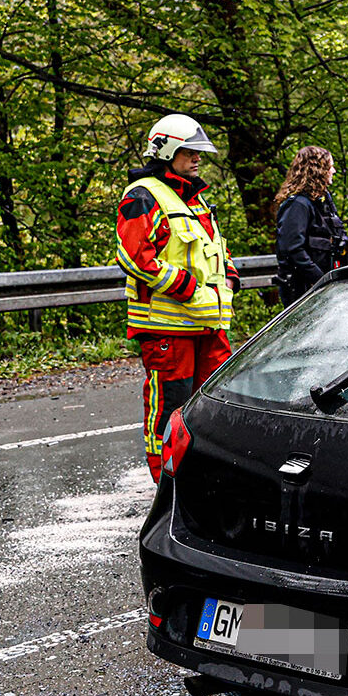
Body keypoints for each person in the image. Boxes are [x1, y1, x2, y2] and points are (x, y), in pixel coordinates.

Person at [114, 113, 239, 482]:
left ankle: (203, 475)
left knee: (214, 403)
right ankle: (166, 482)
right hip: (167, 326)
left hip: (208, 324)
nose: (198, 158)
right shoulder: (144, 195)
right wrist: (187, 288)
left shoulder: (195, 197)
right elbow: (135, 257)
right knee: (171, 406)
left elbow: (215, 248)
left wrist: (230, 276)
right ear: (167, 151)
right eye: (190, 151)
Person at [273, 146, 348, 307]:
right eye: (330, 167)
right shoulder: (298, 205)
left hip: (322, 288)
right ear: (318, 170)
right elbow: (292, 251)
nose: (334, 171)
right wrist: (321, 281)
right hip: (305, 290)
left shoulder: (321, 204)